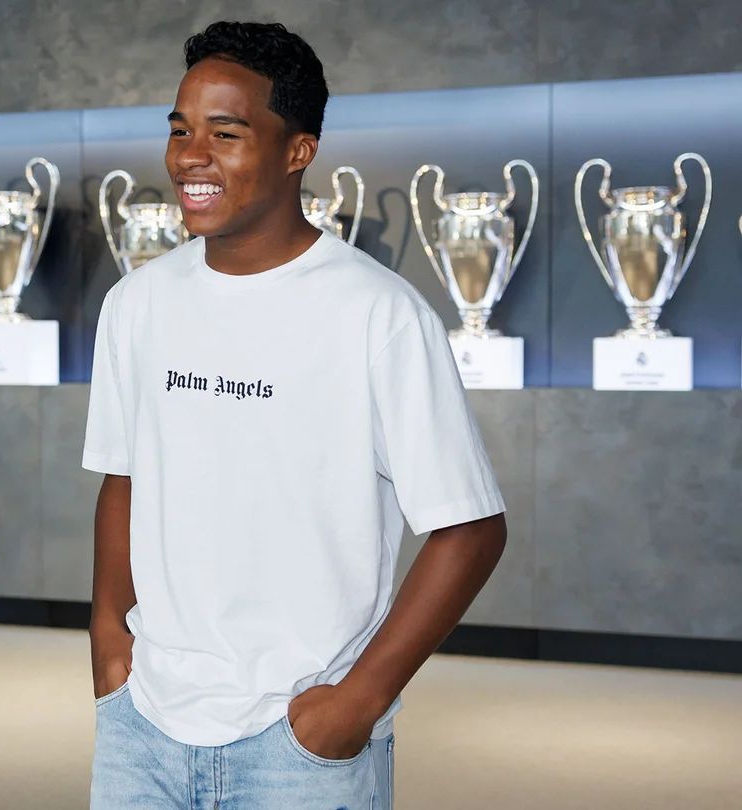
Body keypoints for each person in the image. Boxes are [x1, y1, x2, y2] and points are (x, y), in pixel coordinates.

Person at [84, 21, 507, 809]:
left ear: (297, 151)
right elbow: (123, 478)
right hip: (143, 727)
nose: (189, 156)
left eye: (226, 132)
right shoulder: (135, 304)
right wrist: (111, 643)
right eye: (179, 129)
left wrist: (355, 705)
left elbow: (471, 529)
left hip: (301, 747)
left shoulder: (378, 314)